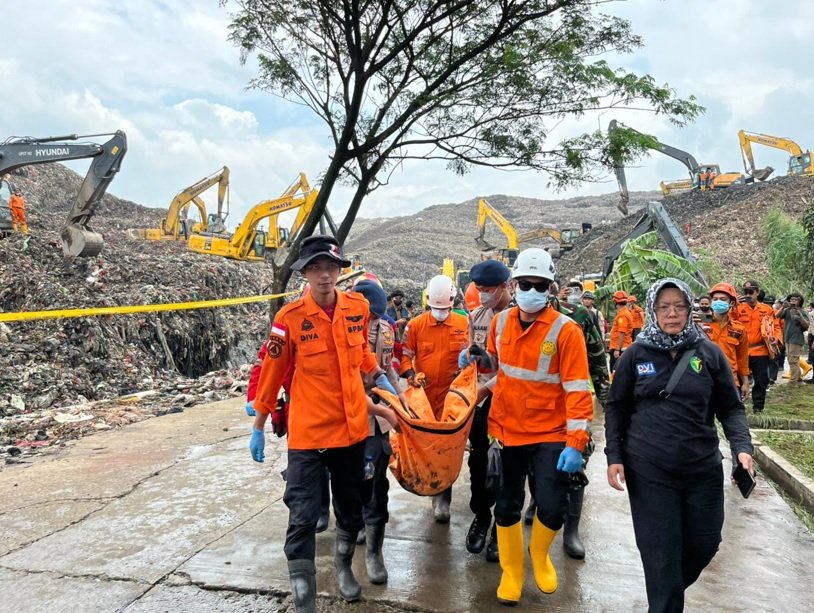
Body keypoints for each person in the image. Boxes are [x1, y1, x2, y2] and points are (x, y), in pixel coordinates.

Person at [251, 235, 400, 611]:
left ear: (340, 271)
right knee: (302, 514)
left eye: (330, 267)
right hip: (308, 434)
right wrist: (260, 421)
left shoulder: (357, 307)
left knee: (351, 509)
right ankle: (304, 598)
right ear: (304, 273)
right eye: (314, 268)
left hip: (350, 431)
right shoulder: (289, 320)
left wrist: (378, 375)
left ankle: (345, 567)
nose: (323, 275)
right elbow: (271, 373)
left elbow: (362, 352)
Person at [605, 278, 754, 613]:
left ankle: (664, 587)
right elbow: (616, 406)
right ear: (652, 310)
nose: (671, 313)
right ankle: (664, 597)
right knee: (660, 551)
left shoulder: (709, 353)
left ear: (689, 308)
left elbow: (730, 407)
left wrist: (742, 447)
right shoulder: (635, 355)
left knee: (705, 543)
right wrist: (614, 455)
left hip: (701, 467)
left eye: (679, 306)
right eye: (663, 306)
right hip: (649, 468)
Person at [480, 248, 593, 606]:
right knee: (507, 506)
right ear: (513, 286)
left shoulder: (566, 331)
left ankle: (540, 556)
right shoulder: (499, 325)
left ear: (550, 287)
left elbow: (578, 390)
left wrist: (576, 443)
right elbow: (497, 371)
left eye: (539, 284)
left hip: (551, 434)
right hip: (507, 431)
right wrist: (480, 361)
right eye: (525, 283)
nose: (531, 290)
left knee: (552, 506)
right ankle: (512, 572)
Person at [400, 274, 469, 523]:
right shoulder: (416, 326)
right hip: (425, 399)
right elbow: (405, 354)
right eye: (436, 308)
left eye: (446, 309)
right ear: (428, 302)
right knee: (429, 447)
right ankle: (431, 486)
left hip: (453, 399)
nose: (441, 313)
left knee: (448, 449)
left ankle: (443, 498)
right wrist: (410, 374)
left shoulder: (464, 324)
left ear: (453, 303)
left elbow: (472, 358)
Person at [351, 279, 407, 584]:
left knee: (375, 486)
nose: (372, 320)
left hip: (378, 424)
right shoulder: (343, 332)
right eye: (368, 315)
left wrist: (401, 398)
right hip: (350, 418)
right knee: (352, 481)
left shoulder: (387, 330)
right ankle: (355, 523)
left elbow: (389, 369)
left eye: (375, 315)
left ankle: (375, 551)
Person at [462, 259, 512, 563]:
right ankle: (481, 516)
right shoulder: (476, 316)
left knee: (508, 468)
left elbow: (517, 367)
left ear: (505, 287)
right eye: (479, 289)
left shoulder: (520, 317)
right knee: (479, 463)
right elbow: (477, 358)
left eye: (488, 289)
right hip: (480, 402)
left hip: (509, 403)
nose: (482, 294)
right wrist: (469, 357)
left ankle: (501, 528)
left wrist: (487, 386)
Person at [736, 281, 780, 413]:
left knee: (761, 380)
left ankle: (758, 407)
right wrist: (732, 306)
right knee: (738, 380)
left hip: (760, 350)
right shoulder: (738, 308)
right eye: (745, 292)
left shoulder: (766, 309)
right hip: (741, 350)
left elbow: (775, 326)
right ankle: (737, 405)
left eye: (751, 292)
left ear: (757, 292)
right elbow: (728, 321)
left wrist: (776, 340)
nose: (748, 295)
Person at [704, 282, 750, 399]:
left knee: (731, 415)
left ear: (731, 303)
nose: (718, 302)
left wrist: (745, 382)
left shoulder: (738, 329)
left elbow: (742, 358)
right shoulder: (701, 325)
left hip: (730, 380)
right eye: (715, 299)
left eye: (723, 299)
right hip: (703, 379)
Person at [778, 292, 810, 384]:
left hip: (796, 339)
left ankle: (793, 380)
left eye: (795, 299)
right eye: (791, 299)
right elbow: (777, 316)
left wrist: (799, 316)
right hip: (787, 338)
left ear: (800, 301)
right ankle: (798, 378)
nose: (793, 301)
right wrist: (783, 307)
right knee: (791, 360)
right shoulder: (787, 310)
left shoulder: (803, 312)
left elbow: (807, 326)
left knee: (793, 361)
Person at [609, 290, 633, 371]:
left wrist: (617, 350)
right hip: (622, 346)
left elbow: (622, 332)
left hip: (620, 348)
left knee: (616, 370)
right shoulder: (625, 313)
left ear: (615, 302)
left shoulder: (622, 315)